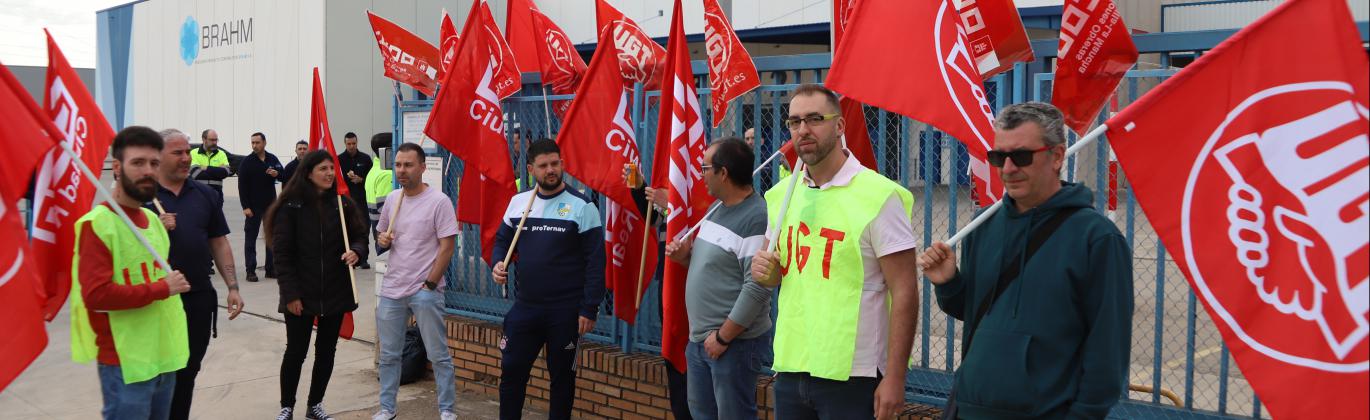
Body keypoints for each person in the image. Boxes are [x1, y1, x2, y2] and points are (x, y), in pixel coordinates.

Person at [918, 102, 1133, 419]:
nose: (1007, 168)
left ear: (1057, 156)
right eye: (998, 157)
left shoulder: (1097, 239)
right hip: (968, 409)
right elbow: (978, 312)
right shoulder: (984, 226)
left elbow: (1107, 351)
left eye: (1020, 156)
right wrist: (950, 283)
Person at [750, 84, 920, 420]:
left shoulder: (879, 196)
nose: (803, 130)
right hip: (792, 366)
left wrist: (896, 377)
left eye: (815, 119)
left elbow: (905, 291)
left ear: (840, 126)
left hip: (853, 375)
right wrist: (768, 273)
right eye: (795, 121)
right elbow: (778, 272)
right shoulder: (782, 195)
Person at [70, 125, 192, 420]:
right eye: (137, 163)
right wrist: (163, 288)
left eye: (153, 163)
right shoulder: (98, 224)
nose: (148, 171)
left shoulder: (152, 219)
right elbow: (97, 295)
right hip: (126, 364)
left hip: (165, 358)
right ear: (117, 167)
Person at [491, 139, 605, 420]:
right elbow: (503, 241)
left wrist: (589, 307)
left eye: (555, 163)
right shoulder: (519, 202)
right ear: (531, 169)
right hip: (526, 308)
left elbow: (595, 262)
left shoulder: (582, 206)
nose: (551, 170)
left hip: (565, 312)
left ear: (562, 164)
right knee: (512, 373)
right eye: (543, 166)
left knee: (562, 379)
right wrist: (497, 264)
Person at [664, 138, 771, 420]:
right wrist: (685, 258)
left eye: (705, 168)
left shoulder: (756, 217)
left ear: (723, 173)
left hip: (731, 344)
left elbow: (757, 287)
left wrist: (723, 337)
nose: (701, 175)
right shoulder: (718, 208)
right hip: (701, 340)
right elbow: (716, 269)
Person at [265, 150, 368, 420]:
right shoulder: (291, 206)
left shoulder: (341, 204)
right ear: (308, 172)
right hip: (301, 294)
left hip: (335, 292)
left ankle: (315, 405)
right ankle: (286, 406)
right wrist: (291, 294)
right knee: (296, 352)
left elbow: (360, 236)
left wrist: (356, 251)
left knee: (326, 353)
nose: (330, 173)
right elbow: (282, 256)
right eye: (323, 169)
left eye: (331, 169)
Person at [151, 128, 246, 420]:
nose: (184, 158)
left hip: (198, 297)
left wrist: (232, 287)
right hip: (157, 300)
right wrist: (154, 224)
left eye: (185, 152)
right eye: (177, 153)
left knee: (189, 369)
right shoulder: (144, 196)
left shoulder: (204, 194)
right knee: (159, 373)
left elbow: (218, 240)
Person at [371, 143, 459, 420]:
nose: (402, 170)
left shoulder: (439, 202)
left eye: (408, 165)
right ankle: (387, 408)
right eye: (398, 164)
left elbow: (447, 246)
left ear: (422, 167)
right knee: (388, 356)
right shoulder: (393, 199)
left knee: (438, 354)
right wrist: (381, 239)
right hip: (393, 289)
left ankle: (447, 410)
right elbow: (381, 236)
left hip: (424, 290)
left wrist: (430, 284)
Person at [239, 132, 284, 282]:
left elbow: (283, 176)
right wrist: (245, 206)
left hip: (270, 205)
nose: (254, 145)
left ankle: (270, 269)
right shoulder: (247, 162)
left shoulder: (272, 159)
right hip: (253, 206)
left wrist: (276, 174)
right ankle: (250, 270)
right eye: (252, 143)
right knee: (250, 238)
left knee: (270, 237)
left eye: (257, 142)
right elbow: (242, 186)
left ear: (264, 143)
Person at [337, 132, 373, 269]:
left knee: (363, 228)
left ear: (357, 143)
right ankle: (347, 258)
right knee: (345, 229)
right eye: (349, 144)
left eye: (354, 143)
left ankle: (363, 258)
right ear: (345, 144)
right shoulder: (339, 159)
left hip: (361, 201)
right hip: (345, 200)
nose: (351, 146)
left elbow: (370, 180)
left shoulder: (365, 158)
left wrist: (361, 180)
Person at [364, 133, 395, 238]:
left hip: (377, 226)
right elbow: (385, 209)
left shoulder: (374, 170)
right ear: (388, 149)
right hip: (387, 231)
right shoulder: (387, 174)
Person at [191, 129, 231, 198]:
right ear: (204, 139)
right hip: (198, 195)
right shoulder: (193, 153)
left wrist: (205, 168)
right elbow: (195, 174)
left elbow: (225, 172)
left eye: (216, 140)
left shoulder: (221, 154)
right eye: (212, 140)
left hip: (216, 195)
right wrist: (217, 171)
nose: (215, 142)